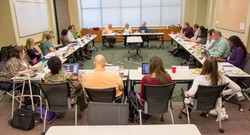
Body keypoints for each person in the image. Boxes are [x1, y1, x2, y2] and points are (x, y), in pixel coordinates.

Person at [183, 56, 242, 121]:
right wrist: (223, 93)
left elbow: (191, 93)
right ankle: (206, 112)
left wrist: (186, 93)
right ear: (216, 66)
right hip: (213, 104)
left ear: (204, 66)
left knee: (188, 88)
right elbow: (237, 89)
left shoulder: (199, 79)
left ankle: (186, 110)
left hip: (197, 104)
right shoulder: (223, 78)